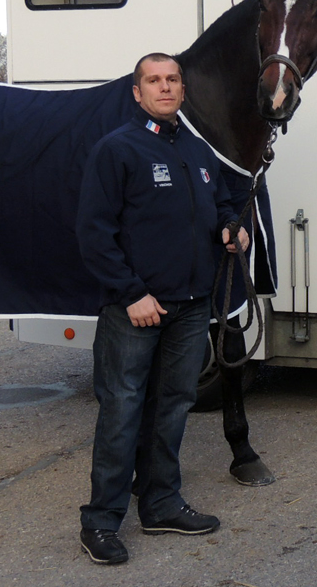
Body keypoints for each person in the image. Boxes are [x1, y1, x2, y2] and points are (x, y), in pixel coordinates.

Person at [75, 53, 249, 565]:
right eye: (154, 81)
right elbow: (93, 234)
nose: (166, 88)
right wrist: (131, 294)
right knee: (122, 412)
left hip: (192, 307)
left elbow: (217, 204)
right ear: (137, 92)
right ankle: (101, 522)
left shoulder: (197, 151)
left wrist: (228, 227)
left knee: (173, 407)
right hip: (135, 310)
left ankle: (161, 504)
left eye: (173, 79)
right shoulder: (118, 150)